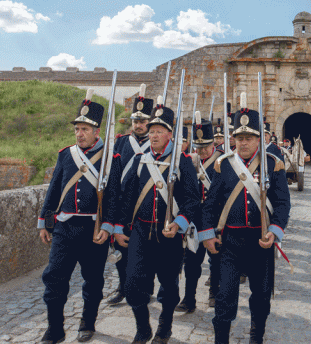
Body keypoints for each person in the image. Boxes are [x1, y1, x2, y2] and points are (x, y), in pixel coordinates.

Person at [199, 95, 291, 344]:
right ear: (233, 140)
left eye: (249, 138)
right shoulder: (223, 165)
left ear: (259, 139)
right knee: (225, 295)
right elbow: (210, 204)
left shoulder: (273, 164)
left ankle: (256, 336)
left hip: (260, 242)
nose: (244, 143)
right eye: (239, 138)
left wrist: (275, 230)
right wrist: (207, 234)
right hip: (230, 242)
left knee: (261, 296)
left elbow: (282, 203)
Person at [37, 90, 122, 344]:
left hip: (93, 229)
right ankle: (54, 329)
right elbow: (54, 189)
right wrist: (45, 221)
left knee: (93, 280)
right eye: (77, 128)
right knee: (54, 277)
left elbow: (114, 196)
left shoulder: (110, 158)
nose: (79, 133)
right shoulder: (66, 155)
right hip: (64, 226)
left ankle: (88, 322)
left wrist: (107, 226)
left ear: (97, 132)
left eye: (85, 129)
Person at [114, 97, 200, 344]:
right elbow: (127, 196)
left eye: (159, 131)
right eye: (151, 131)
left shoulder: (182, 162)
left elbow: (192, 200)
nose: (153, 135)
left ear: (169, 134)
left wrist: (180, 223)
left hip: (168, 235)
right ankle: (143, 328)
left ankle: (165, 326)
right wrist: (119, 226)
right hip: (141, 231)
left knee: (169, 287)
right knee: (132, 285)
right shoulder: (141, 160)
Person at [108, 86, 153, 305]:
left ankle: (144, 286)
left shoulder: (155, 145)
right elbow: (113, 172)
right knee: (120, 250)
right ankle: (123, 286)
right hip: (121, 205)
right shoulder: (121, 142)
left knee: (145, 251)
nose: (138, 125)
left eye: (143, 121)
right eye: (136, 120)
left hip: (144, 203)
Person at [175, 111, 223, 313]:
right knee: (192, 263)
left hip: (215, 220)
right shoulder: (188, 161)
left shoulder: (224, 161)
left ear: (213, 144)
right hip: (194, 219)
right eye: (199, 147)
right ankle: (189, 298)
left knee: (216, 260)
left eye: (206, 147)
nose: (202, 152)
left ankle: (214, 292)